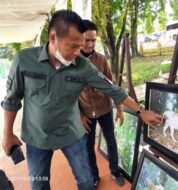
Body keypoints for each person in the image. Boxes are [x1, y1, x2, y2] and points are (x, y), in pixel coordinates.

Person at [1, 10, 163, 190]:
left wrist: (140, 111)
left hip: (71, 134)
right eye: (72, 46)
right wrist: (7, 134)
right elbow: (12, 99)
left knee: (86, 182)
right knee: (39, 185)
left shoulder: (83, 65)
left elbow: (112, 88)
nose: (78, 52)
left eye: (80, 46)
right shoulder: (24, 60)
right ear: (53, 37)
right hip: (37, 137)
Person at [79, 20, 124, 187]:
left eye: (93, 40)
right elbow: (68, 96)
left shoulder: (102, 59)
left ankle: (115, 170)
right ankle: (94, 176)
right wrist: (78, 116)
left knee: (111, 141)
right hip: (85, 114)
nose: (90, 44)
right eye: (87, 40)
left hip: (105, 109)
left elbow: (112, 85)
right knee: (88, 147)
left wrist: (119, 108)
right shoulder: (72, 62)